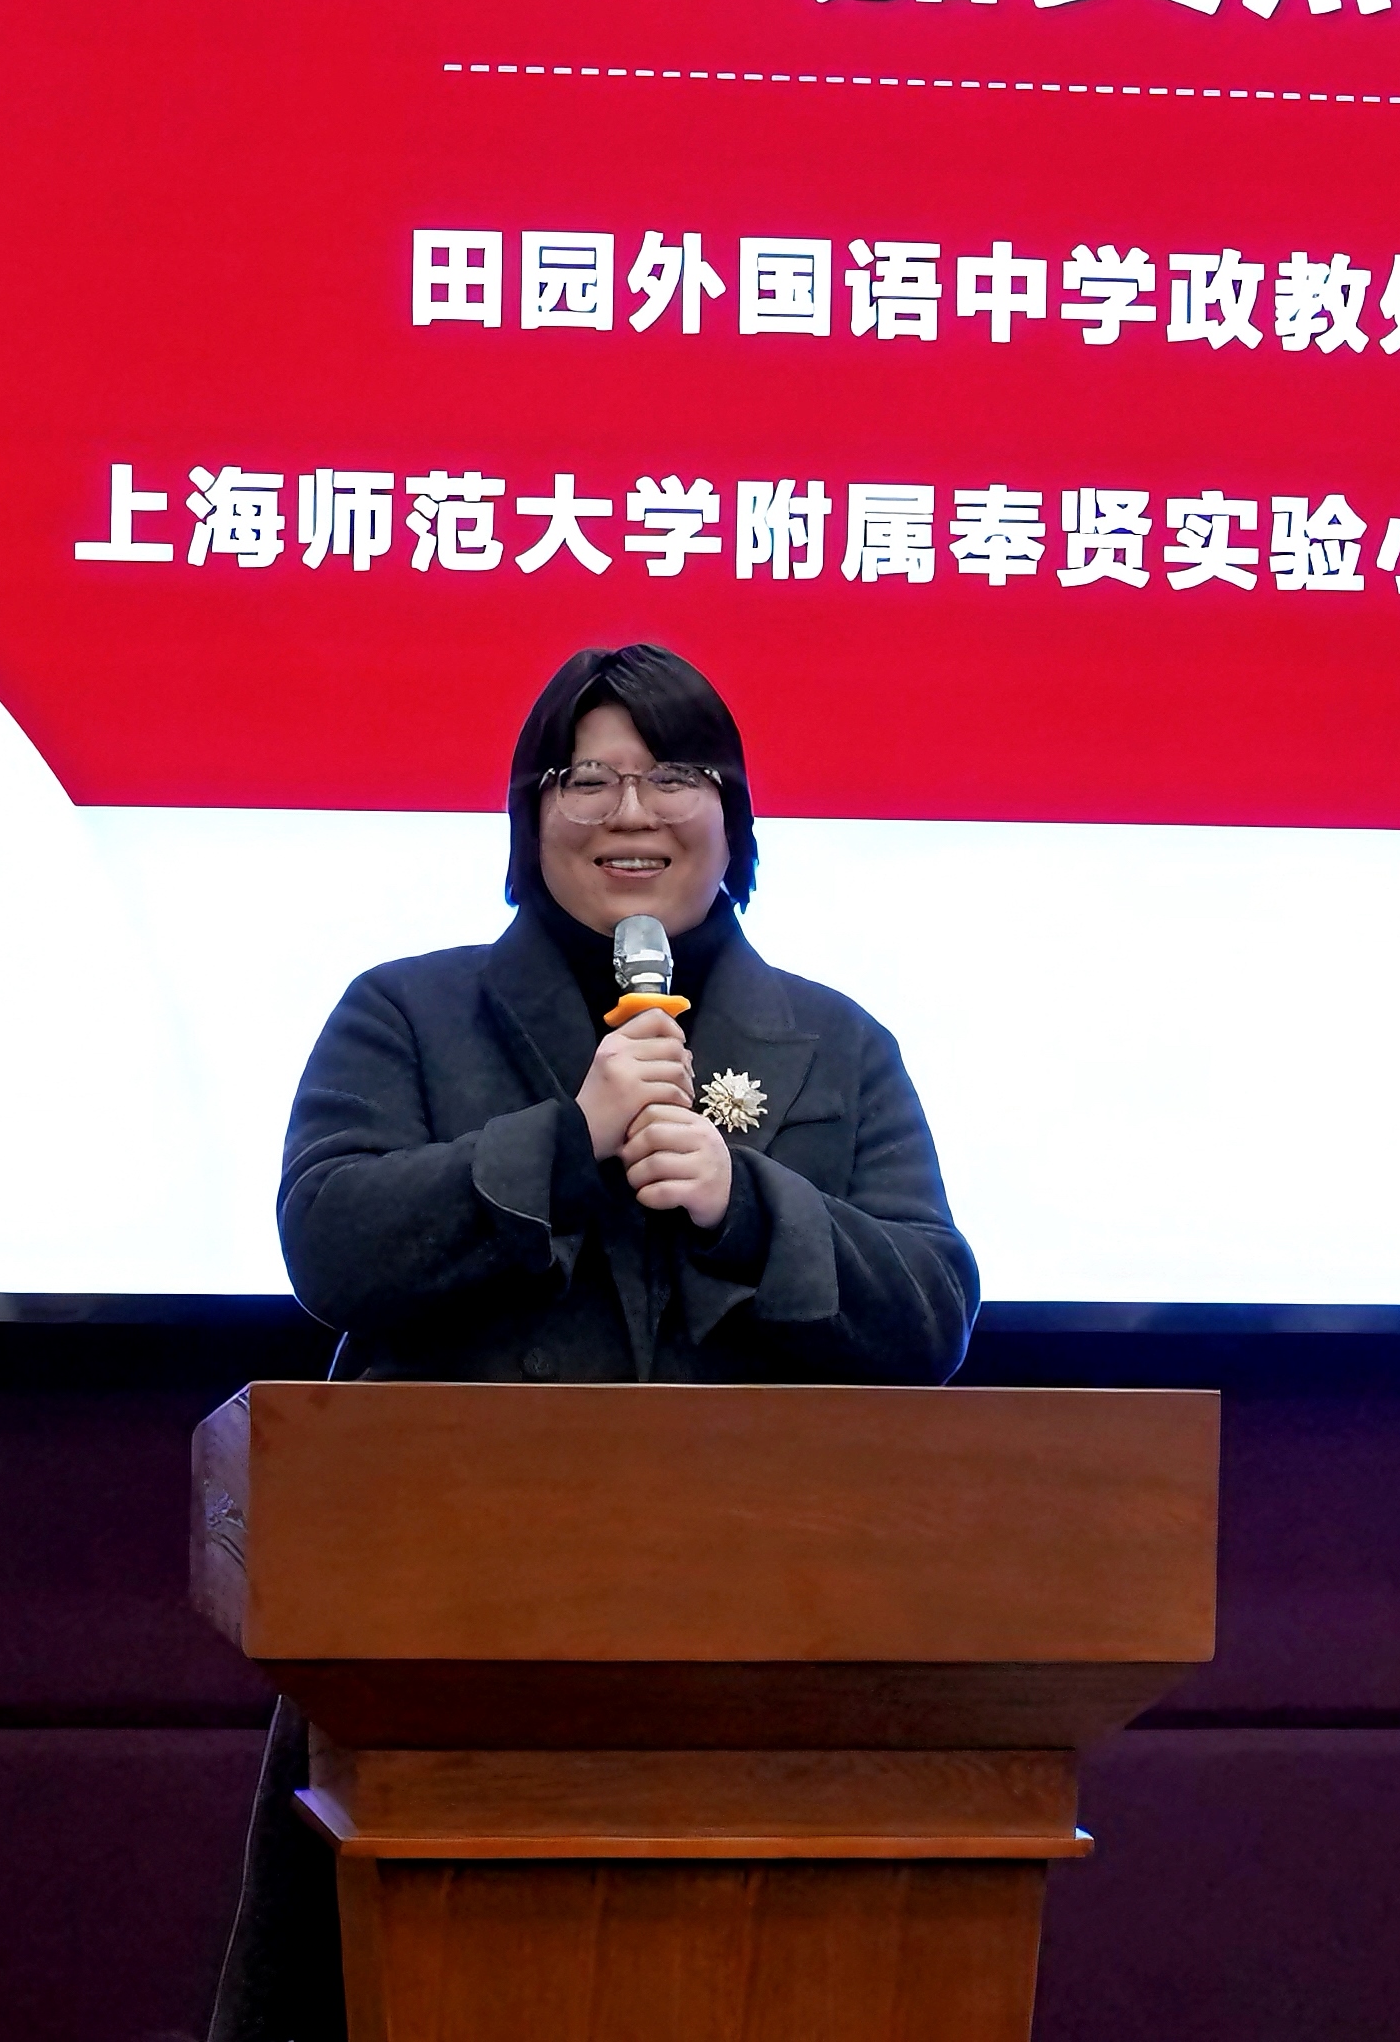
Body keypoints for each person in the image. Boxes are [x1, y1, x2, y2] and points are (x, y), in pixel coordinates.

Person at [206, 641, 980, 2042]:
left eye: (673, 775)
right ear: (531, 816)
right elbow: (330, 1242)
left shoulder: (839, 1044)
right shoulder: (408, 1013)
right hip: (443, 1643)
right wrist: (567, 1140)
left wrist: (753, 1207)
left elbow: (932, 1307)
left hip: (770, 1652)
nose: (632, 812)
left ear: (732, 816)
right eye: (587, 779)